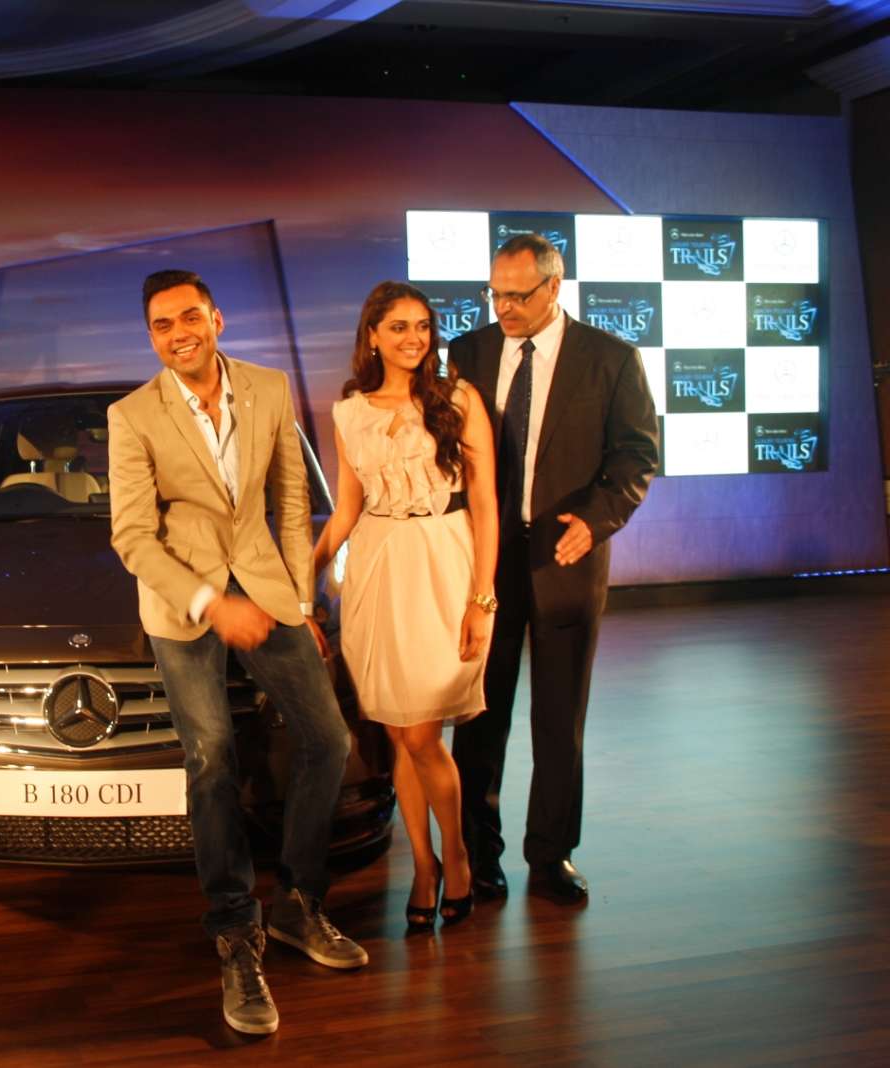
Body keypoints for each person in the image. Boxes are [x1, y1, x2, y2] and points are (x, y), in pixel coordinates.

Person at [109, 269, 366, 1036]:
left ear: (216, 319)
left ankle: (298, 904)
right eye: (163, 325)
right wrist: (210, 603)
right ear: (151, 337)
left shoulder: (268, 387)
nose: (179, 333)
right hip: (183, 605)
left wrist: (300, 601)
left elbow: (290, 499)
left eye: (190, 316)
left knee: (329, 740)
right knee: (213, 754)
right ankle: (234, 930)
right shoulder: (133, 415)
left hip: (266, 586)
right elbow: (132, 537)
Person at [449, 233, 659, 903]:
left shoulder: (611, 358)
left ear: (554, 286)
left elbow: (637, 455)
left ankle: (551, 855)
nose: (503, 308)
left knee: (560, 717)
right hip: (487, 560)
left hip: (566, 556)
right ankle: (478, 854)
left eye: (517, 295)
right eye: (495, 294)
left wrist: (596, 519)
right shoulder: (467, 353)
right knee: (480, 715)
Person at [311, 281, 498, 932]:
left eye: (422, 326)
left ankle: (459, 856)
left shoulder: (458, 399)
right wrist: (304, 572)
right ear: (372, 336)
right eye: (398, 327)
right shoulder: (349, 411)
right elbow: (347, 508)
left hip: (444, 562)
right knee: (398, 731)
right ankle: (423, 865)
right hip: (376, 567)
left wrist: (482, 597)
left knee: (422, 733)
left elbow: (486, 505)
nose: (414, 338)